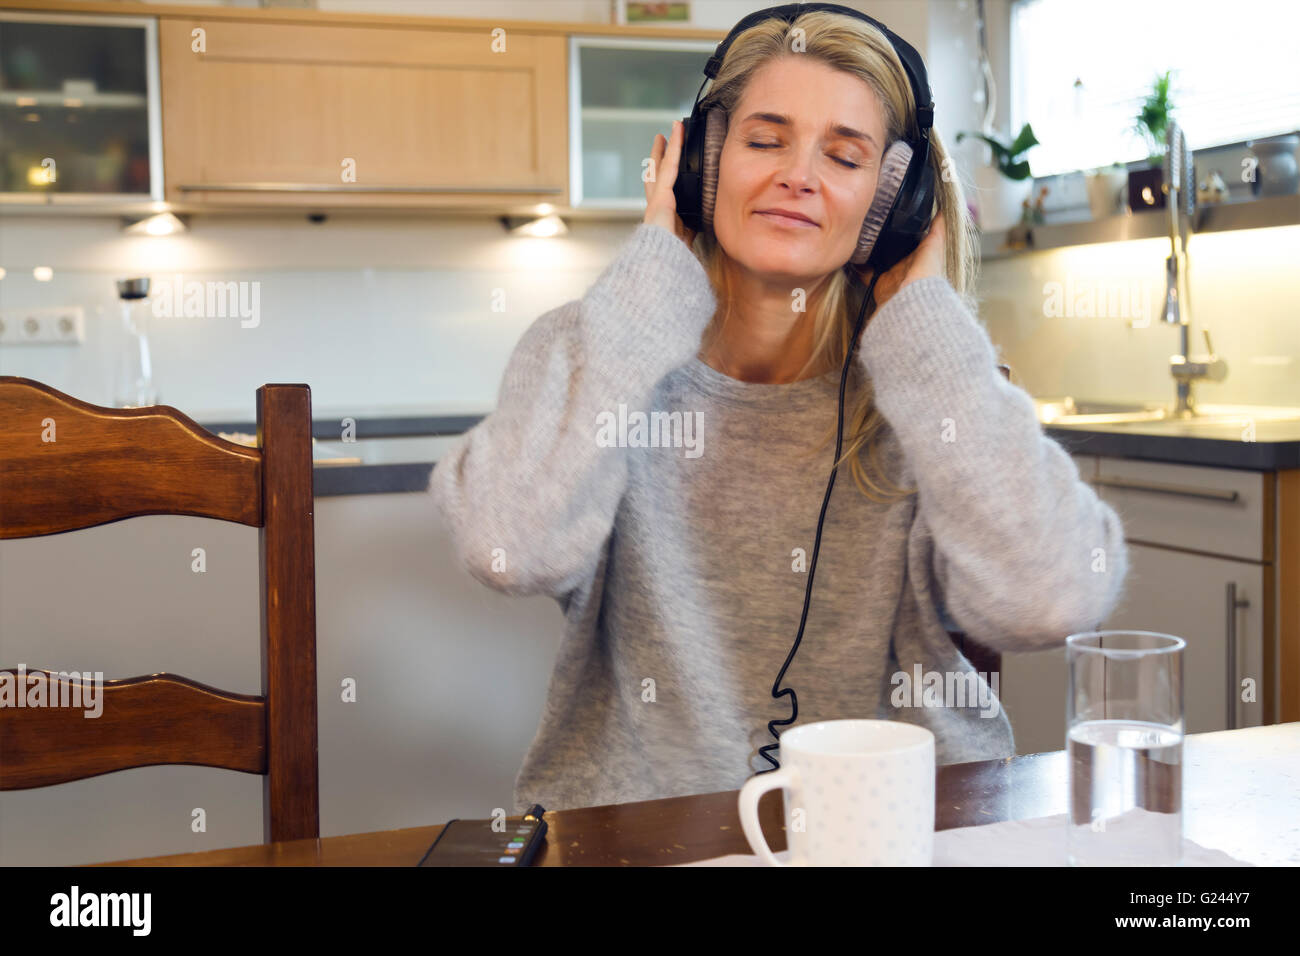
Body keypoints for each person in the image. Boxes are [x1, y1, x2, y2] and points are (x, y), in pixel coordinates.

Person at [430, 9, 1129, 812]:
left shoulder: (933, 385)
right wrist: (648, 286)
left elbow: (1053, 600)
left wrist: (930, 329)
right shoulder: (594, 352)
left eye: (845, 155)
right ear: (699, 165)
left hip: (898, 830)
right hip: (639, 836)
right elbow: (505, 548)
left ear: (894, 204)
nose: (799, 175)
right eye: (765, 141)